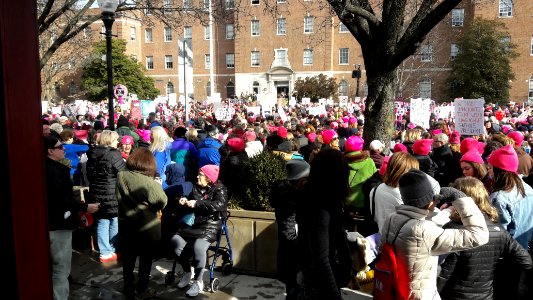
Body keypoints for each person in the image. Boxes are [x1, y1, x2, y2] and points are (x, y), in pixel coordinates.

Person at [382, 169, 489, 300]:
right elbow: (479, 235)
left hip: (395, 291)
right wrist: (460, 198)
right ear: (430, 200)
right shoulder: (423, 230)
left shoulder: (392, 218)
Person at [437, 176, 532, 300]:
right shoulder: (499, 231)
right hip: (486, 295)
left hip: (454, 295)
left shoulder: (453, 229)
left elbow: (443, 273)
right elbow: (526, 261)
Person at [44, 135, 99, 300]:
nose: (64, 149)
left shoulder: (53, 167)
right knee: (61, 269)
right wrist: (84, 207)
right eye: (60, 147)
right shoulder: (53, 171)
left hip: (54, 222)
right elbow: (62, 200)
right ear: (50, 151)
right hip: (58, 224)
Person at [296, 148, 352, 299]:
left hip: (318, 276)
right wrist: (334, 295)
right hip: (320, 282)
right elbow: (321, 258)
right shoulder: (321, 205)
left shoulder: (316, 195)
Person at [116, 147, 168, 299]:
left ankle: (128, 286)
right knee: (145, 261)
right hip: (146, 227)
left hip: (126, 224)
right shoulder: (148, 182)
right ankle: (142, 290)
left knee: (128, 260)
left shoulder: (121, 175)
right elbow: (161, 201)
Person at [170, 165, 228, 298]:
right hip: (194, 224)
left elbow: (219, 205)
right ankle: (187, 272)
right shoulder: (195, 187)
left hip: (210, 225)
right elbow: (188, 200)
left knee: (198, 247)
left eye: (200, 174)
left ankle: (198, 281)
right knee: (175, 242)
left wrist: (197, 203)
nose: (197, 176)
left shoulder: (220, 189)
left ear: (208, 178)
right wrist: (182, 200)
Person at [269, 159, 310, 300]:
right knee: (294, 284)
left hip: (290, 246)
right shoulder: (293, 197)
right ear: (300, 180)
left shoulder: (282, 190)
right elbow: (289, 228)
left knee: (292, 282)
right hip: (294, 246)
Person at [86, 130, 126, 263]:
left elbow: (89, 174)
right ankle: (113, 248)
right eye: (115, 140)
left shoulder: (92, 153)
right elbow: (123, 172)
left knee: (102, 221)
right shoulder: (114, 154)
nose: (117, 143)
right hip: (111, 191)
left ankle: (105, 252)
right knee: (114, 220)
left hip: (96, 192)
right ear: (110, 141)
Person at [487, 144, 533, 249]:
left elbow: (498, 234)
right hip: (525, 249)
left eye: (490, 167)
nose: (488, 171)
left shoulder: (498, 198)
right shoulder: (528, 189)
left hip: (509, 253)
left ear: (499, 170)